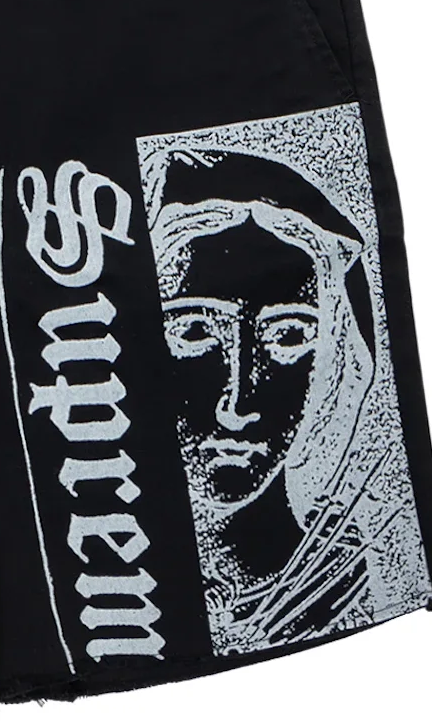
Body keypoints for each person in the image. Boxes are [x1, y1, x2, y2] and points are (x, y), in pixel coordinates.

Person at [143, 146, 397, 653]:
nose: (237, 404)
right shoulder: (100, 561)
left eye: (288, 336)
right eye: (193, 331)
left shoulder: (341, 585)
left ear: (334, 358)